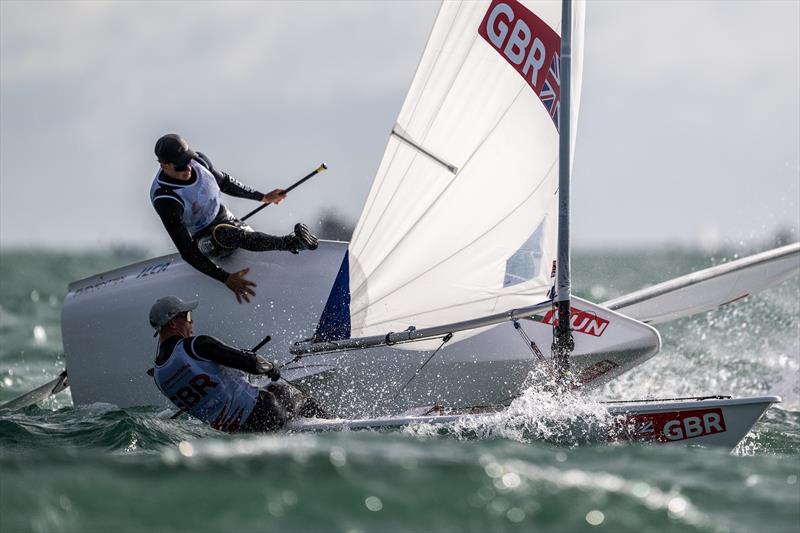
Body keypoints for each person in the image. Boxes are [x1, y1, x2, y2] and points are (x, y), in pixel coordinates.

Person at [150, 133, 319, 304]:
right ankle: (291, 243)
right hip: (203, 239)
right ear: (164, 166)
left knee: (231, 232)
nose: (187, 168)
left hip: (226, 218)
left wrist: (263, 197)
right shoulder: (166, 199)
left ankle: (295, 260)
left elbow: (225, 182)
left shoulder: (199, 162)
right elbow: (186, 251)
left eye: (187, 161)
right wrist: (225, 278)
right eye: (180, 166)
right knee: (225, 234)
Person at [148, 295, 325, 432]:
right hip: (264, 412)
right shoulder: (197, 345)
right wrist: (270, 367)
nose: (191, 321)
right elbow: (250, 363)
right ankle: (333, 424)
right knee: (279, 389)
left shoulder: (158, 376)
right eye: (187, 315)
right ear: (172, 322)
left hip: (238, 431)